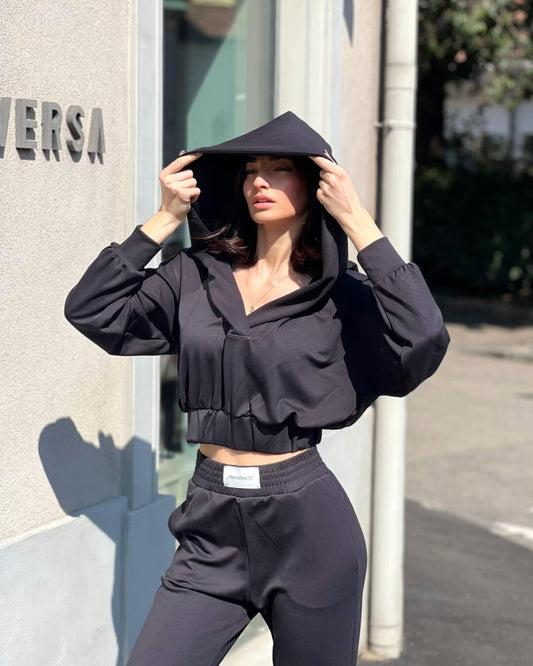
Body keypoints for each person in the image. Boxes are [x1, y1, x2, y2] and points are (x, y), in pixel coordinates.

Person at [64, 111, 450, 665]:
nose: (258, 182)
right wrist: (164, 218)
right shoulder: (195, 274)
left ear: (316, 184)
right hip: (209, 522)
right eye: (250, 171)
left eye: (279, 169)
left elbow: (424, 337)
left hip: (307, 526)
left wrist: (358, 221)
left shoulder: (341, 296)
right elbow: (92, 309)